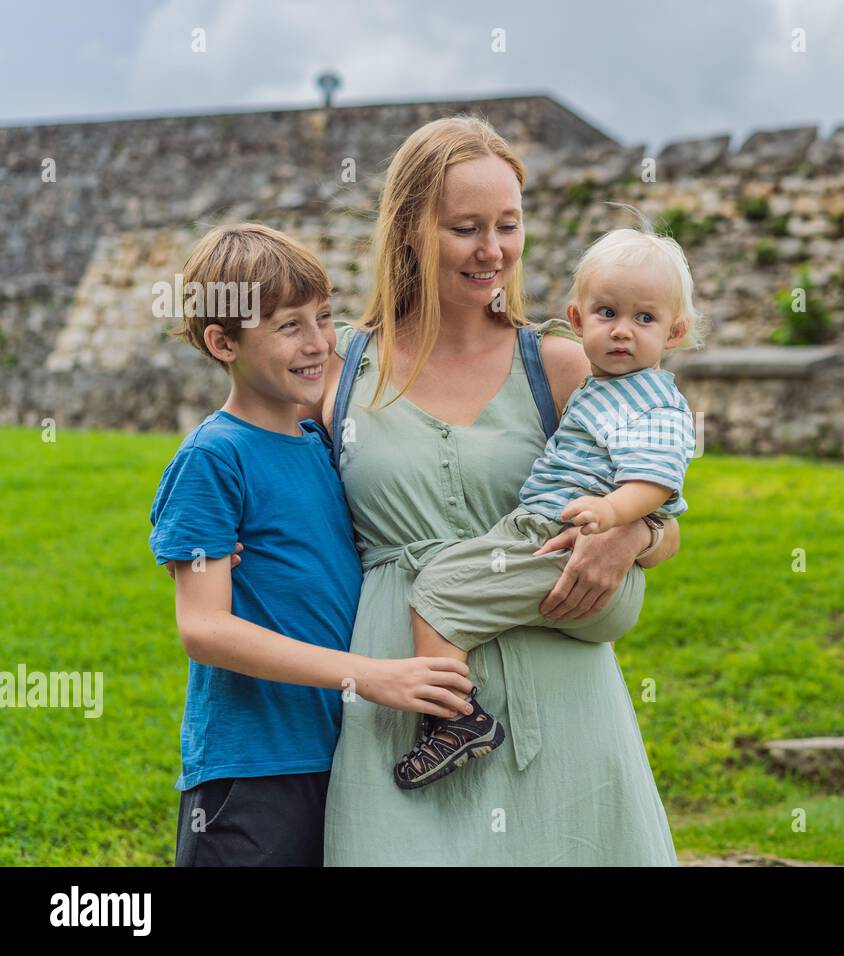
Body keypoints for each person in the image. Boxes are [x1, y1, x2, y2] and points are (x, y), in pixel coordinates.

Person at [307, 116, 694, 865]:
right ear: (410, 229)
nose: (493, 251)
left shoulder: (560, 362)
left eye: (508, 225)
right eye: (466, 228)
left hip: (563, 699)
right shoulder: (339, 372)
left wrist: (632, 537)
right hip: (404, 712)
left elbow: (666, 511)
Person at [149, 223, 474, 866]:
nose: (320, 342)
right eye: (288, 326)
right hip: (252, 768)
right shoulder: (213, 458)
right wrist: (374, 676)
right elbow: (203, 628)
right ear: (222, 342)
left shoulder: (324, 444)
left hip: (337, 755)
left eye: (324, 317)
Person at [392, 223, 701, 788]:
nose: (623, 332)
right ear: (578, 319)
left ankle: (454, 722)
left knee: (437, 590)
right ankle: (453, 720)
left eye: (645, 319)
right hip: (540, 526)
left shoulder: (652, 401)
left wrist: (613, 518)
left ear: (675, 332)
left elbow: (655, 484)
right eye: (607, 314)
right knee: (445, 583)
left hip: (559, 537)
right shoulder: (601, 387)